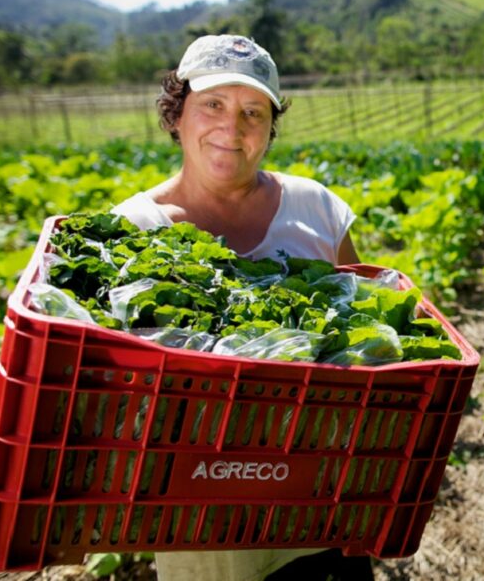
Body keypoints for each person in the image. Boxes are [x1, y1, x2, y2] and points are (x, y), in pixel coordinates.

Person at [111, 34, 372, 581]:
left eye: (253, 111)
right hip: (200, 517)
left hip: (317, 494)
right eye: (213, 104)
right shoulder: (134, 230)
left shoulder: (317, 208)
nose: (232, 128)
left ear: (271, 128)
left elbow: (361, 324)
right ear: (176, 113)